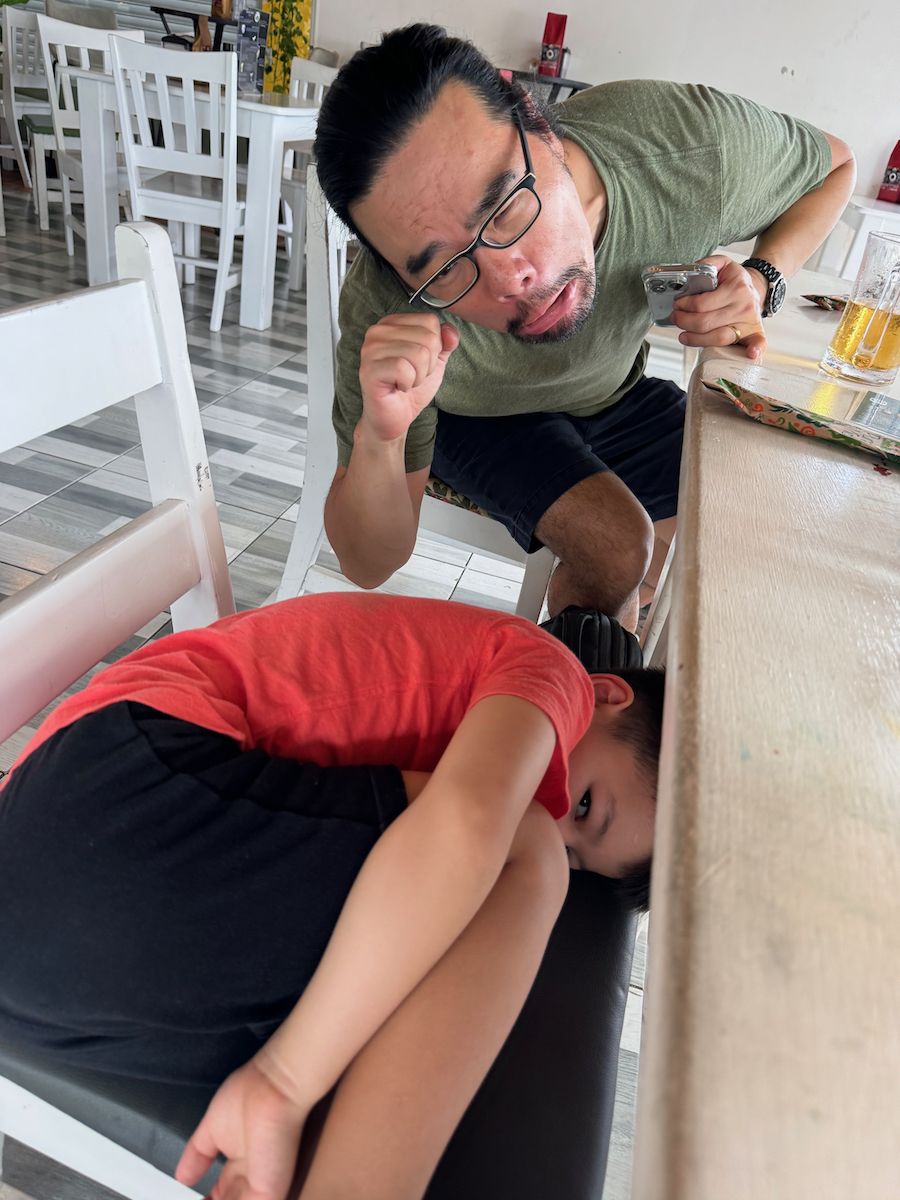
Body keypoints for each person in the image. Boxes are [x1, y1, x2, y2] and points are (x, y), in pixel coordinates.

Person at [0, 592, 662, 1200]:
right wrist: (284, 1080)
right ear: (605, 694)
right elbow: (470, 821)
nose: (559, 816)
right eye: (585, 804)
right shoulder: (551, 673)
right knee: (523, 846)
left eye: (580, 853)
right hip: (116, 804)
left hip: (51, 947)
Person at [313, 25, 857, 630]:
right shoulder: (390, 309)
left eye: (507, 206)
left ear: (541, 127)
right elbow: (367, 564)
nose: (511, 279)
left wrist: (760, 278)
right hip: (472, 414)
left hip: (609, 388)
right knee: (619, 545)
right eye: (445, 267)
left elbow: (835, 166)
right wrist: (382, 438)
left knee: (765, 506)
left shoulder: (689, 150)